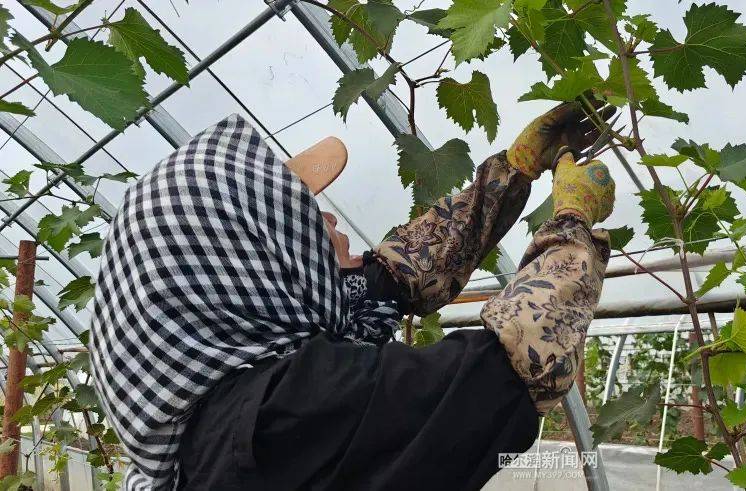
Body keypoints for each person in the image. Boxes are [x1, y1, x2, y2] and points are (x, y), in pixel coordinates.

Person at [88, 102, 617, 490]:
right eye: (292, 215)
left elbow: (385, 280)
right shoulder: (283, 416)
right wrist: (571, 225)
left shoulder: (215, 419)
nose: (327, 218)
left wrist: (511, 173)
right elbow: (505, 373)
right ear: (241, 261)